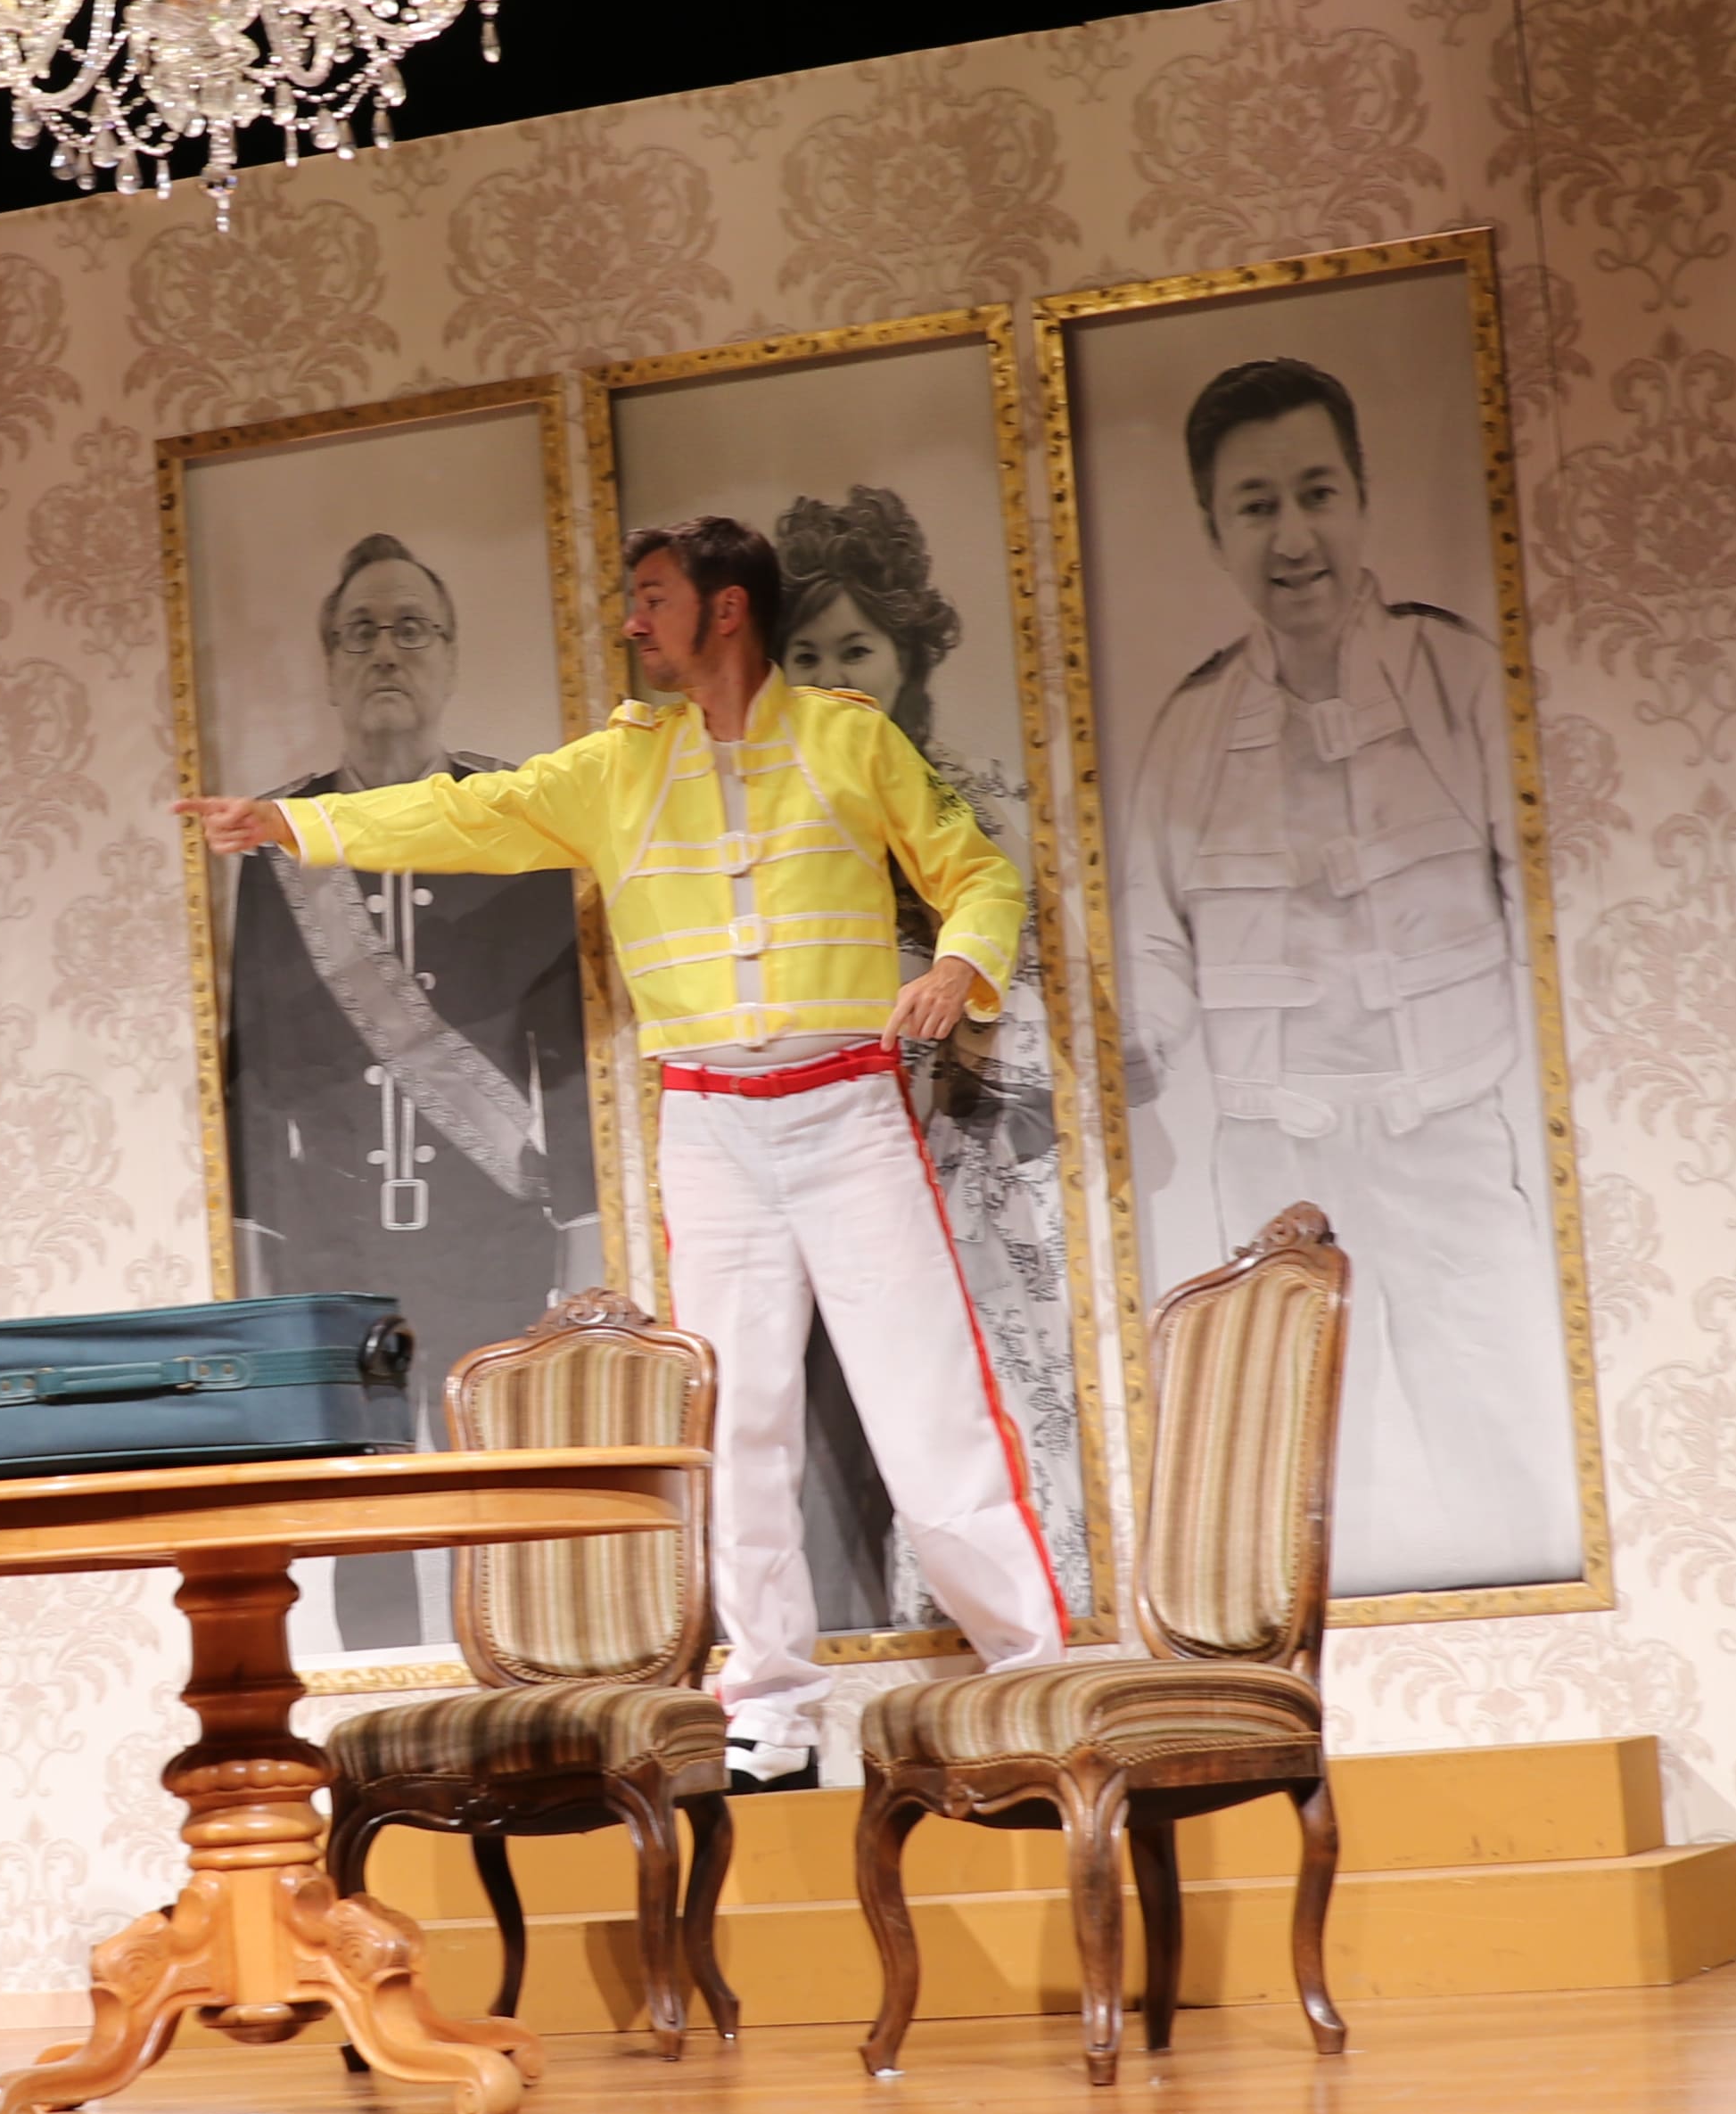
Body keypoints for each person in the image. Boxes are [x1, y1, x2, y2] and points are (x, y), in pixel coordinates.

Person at [181, 515, 1066, 1789]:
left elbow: (977, 873)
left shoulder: (848, 739)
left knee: (926, 1405)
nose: (634, 621)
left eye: (654, 597)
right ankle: (771, 1712)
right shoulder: (617, 766)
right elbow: (466, 811)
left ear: (725, 609)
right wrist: (290, 823)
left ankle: (1030, 1678)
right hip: (710, 1126)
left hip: (847, 1113)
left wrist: (961, 967)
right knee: (736, 1424)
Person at [1113, 355, 1579, 1592]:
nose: (1294, 536)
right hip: (1275, 1174)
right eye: (1256, 506)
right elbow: (1153, 938)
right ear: (1214, 530)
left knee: (1512, 1455)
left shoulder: (1458, 676)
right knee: (1299, 1480)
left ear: (1362, 496)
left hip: (1449, 1152)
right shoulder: (1190, 729)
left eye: (1317, 493)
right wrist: (1140, 1043)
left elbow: (1541, 899)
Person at [222, 532, 597, 1643]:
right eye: (360, 633)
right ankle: (379, 1707)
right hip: (334, 1246)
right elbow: (258, 1066)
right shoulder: (282, 841)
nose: (385, 652)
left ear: (450, 655)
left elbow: (564, 1043)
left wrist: (582, 1230)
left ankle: (526, 1702)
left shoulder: (514, 819)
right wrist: (257, 1249)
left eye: (410, 629)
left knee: (506, 1502)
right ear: (331, 664)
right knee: (366, 1514)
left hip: (492, 1234)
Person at [771, 484, 1076, 1638]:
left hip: (969, 1152)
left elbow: (1022, 980)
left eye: (857, 649)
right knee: (827, 1418)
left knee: (969, 1401)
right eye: (807, 656)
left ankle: (1016, 1641)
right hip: (817, 1150)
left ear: (907, 652)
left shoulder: (972, 798)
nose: (834, 677)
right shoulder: (777, 822)